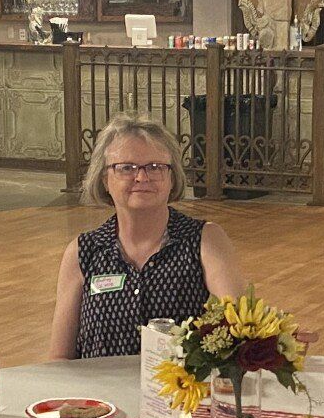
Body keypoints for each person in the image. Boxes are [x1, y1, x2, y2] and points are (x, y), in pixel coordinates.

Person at [47, 113, 246, 359]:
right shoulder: (83, 251)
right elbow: (59, 360)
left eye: (155, 167)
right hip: (101, 395)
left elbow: (241, 327)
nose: (142, 177)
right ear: (104, 180)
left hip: (181, 393)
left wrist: (274, 342)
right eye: (126, 168)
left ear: (172, 178)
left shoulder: (205, 240)